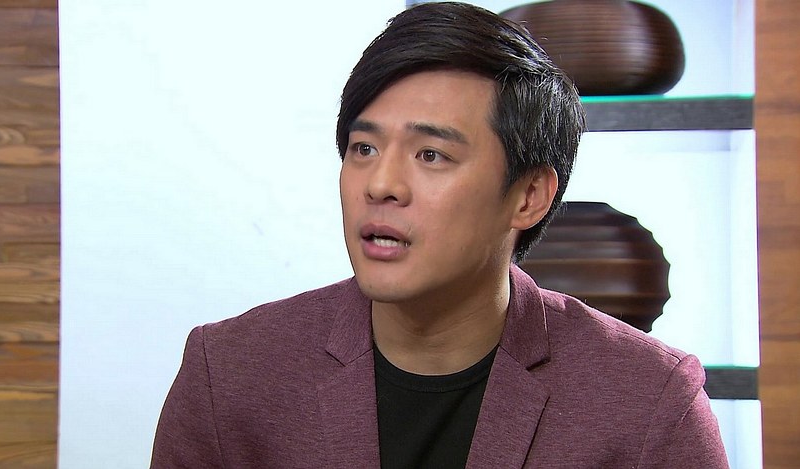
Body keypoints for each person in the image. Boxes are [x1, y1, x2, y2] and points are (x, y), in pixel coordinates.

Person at [151, 2, 729, 468]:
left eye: (431, 154)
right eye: (363, 148)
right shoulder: (230, 373)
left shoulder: (648, 401)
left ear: (529, 195)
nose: (381, 184)